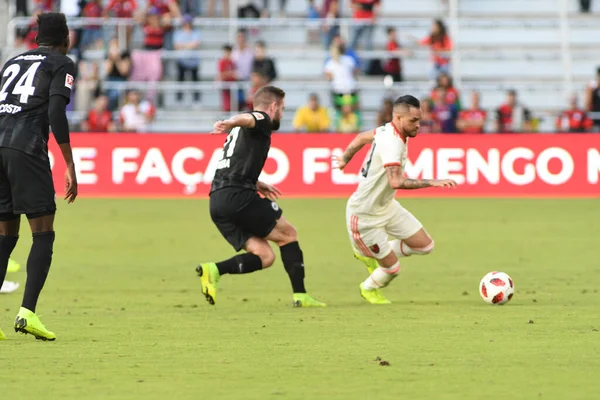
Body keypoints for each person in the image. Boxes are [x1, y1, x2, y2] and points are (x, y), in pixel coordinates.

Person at [197, 86, 325, 308]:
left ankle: (213, 270)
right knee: (288, 234)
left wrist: (257, 183)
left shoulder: (241, 132)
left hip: (218, 201)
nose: (282, 115)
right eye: (282, 109)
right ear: (273, 106)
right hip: (238, 197)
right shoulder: (261, 119)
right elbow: (250, 118)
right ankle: (301, 296)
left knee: (265, 256)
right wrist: (231, 120)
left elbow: (235, 162)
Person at [333, 95, 457, 304]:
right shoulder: (392, 143)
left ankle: (373, 252)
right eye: (413, 121)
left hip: (387, 207)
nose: (418, 125)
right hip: (364, 216)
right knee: (392, 269)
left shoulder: (386, 130)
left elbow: (361, 138)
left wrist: (345, 158)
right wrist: (432, 182)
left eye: (419, 119)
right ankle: (368, 287)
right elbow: (396, 182)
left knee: (425, 246)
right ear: (398, 118)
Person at [0, 13, 78, 341]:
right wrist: (70, 164)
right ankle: (27, 313)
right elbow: (55, 112)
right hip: (26, 145)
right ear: (66, 39)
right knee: (42, 231)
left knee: (5, 234)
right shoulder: (61, 62)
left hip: (0, 141)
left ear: (36, 38)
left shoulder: (12, 62)